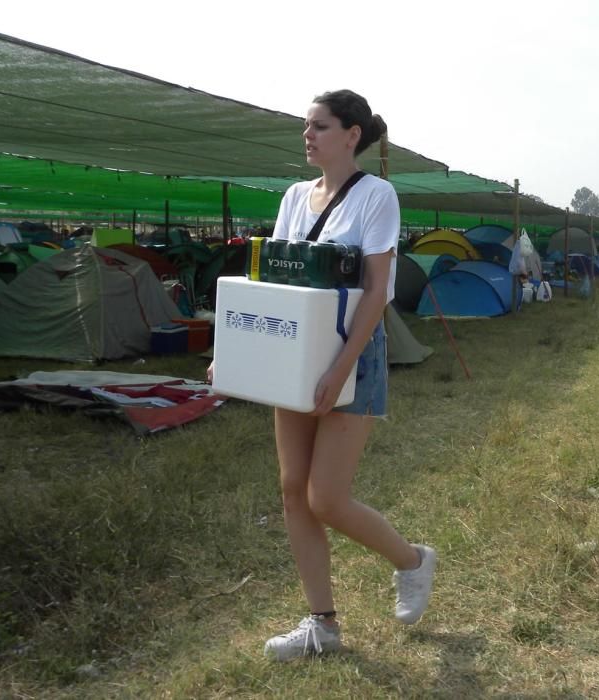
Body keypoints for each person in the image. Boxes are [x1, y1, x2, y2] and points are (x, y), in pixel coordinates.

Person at [208, 89, 436, 660]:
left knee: (326, 498)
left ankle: (412, 561)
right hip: (294, 352)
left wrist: (340, 368)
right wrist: (235, 350)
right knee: (292, 492)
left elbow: (378, 291)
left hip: (350, 355)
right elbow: (275, 283)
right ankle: (322, 626)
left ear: (352, 134)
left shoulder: (376, 197)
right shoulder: (293, 196)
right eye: (306, 126)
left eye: (320, 126)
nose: (307, 135)